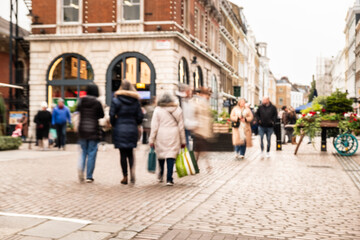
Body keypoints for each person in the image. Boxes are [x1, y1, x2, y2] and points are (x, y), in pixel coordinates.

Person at [110, 80, 143, 185]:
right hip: (132, 127)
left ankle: (125, 176)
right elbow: (140, 117)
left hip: (120, 128)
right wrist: (136, 123)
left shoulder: (116, 100)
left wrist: (115, 124)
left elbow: (111, 115)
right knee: (131, 153)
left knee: (122, 154)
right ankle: (132, 172)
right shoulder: (135, 101)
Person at [149, 92, 186, 186]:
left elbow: (154, 126)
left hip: (161, 134)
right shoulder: (178, 109)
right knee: (171, 155)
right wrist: (183, 141)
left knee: (161, 154)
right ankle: (169, 178)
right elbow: (181, 127)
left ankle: (161, 174)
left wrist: (151, 139)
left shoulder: (157, 110)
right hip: (174, 134)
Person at [76, 84, 105, 183]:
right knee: (92, 153)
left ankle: (81, 168)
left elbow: (77, 111)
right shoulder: (97, 103)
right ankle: (89, 176)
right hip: (93, 130)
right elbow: (101, 115)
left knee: (83, 152)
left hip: (82, 130)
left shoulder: (81, 101)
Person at [191, 87, 214, 161]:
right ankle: (204, 164)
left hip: (202, 130)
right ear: (203, 94)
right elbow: (194, 113)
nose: (208, 97)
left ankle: (196, 164)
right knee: (199, 148)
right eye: (208, 95)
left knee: (199, 148)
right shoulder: (197, 102)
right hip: (199, 129)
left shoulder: (205, 103)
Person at [176, 84, 197, 149]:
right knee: (184, 142)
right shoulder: (179, 99)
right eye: (189, 91)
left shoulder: (187, 100)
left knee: (186, 141)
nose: (190, 92)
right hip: (181, 125)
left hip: (186, 124)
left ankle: (186, 154)